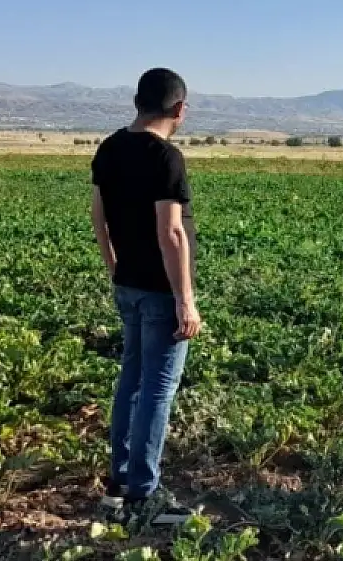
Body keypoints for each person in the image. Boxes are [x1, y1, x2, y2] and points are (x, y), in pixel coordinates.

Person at [90, 67, 203, 525]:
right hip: (159, 291)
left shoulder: (109, 148)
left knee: (131, 380)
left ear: (138, 102)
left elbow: (99, 220)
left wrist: (117, 269)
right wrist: (185, 299)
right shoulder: (165, 158)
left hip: (129, 287)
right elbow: (171, 233)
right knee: (157, 388)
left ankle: (120, 481)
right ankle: (144, 495)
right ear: (179, 109)